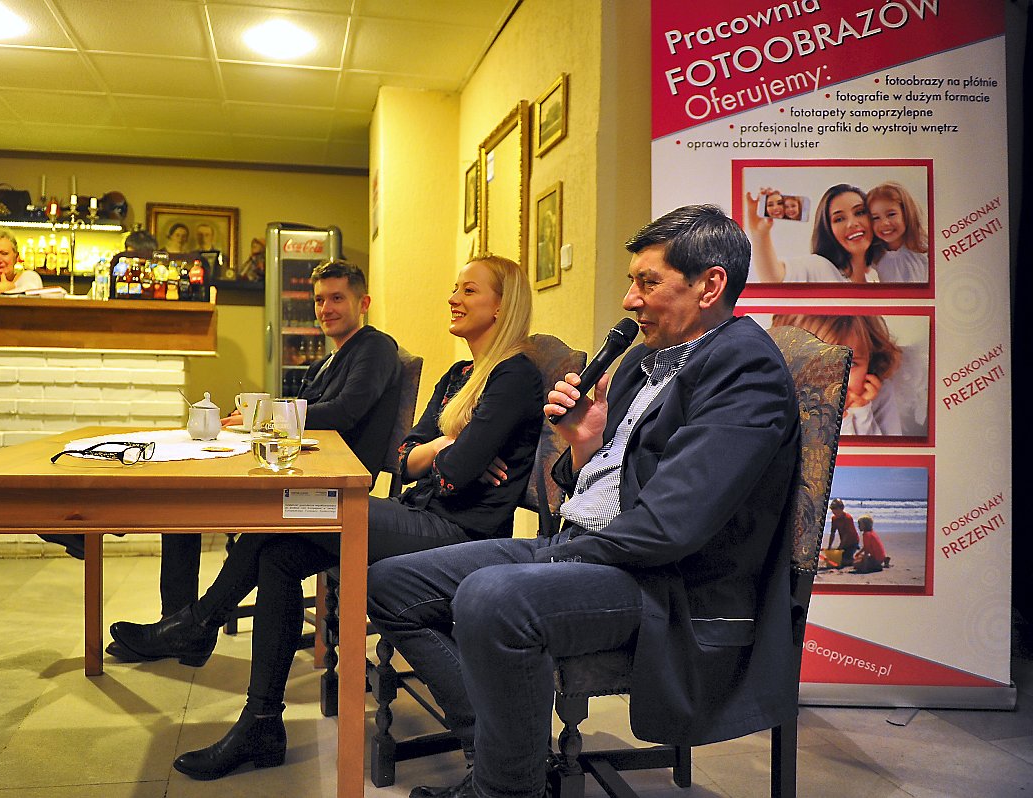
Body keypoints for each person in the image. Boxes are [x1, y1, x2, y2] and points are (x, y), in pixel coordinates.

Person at [367, 205, 799, 798]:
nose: (629, 299)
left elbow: (670, 528)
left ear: (710, 285)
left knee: (493, 597)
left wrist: (554, 558)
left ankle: (503, 789)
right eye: (632, 281)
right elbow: (595, 484)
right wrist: (583, 444)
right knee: (389, 584)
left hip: (671, 584)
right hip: (596, 548)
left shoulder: (745, 367)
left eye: (647, 282)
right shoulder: (643, 359)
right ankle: (508, 760)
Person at [107, 255, 545, 784]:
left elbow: (452, 475)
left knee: (286, 514)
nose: (453, 298)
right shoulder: (461, 376)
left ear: (502, 305)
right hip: (419, 512)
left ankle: (198, 625)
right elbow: (406, 455)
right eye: (455, 287)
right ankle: (260, 722)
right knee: (278, 552)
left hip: (460, 534)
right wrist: (444, 446)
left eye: (469, 290)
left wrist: (445, 454)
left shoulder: (514, 374)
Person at [150, 259, 405, 616]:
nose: (325, 309)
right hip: (303, 471)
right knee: (183, 502)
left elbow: (346, 411)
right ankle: (179, 621)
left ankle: (189, 625)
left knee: (205, 511)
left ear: (363, 304)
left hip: (336, 484)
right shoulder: (324, 362)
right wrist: (251, 419)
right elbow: (299, 419)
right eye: (319, 300)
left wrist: (263, 415)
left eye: (337, 298)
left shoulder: (375, 347)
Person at [771, 313, 903, 436]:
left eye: (850, 363)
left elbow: (890, 451)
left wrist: (861, 413)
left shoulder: (881, 393)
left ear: (871, 361)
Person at [744, 183, 883, 283]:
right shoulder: (820, 267)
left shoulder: (876, 277)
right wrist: (760, 234)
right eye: (839, 219)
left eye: (860, 212)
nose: (852, 223)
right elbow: (774, 279)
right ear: (828, 229)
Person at [867, 181, 929, 282]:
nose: (884, 223)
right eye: (875, 218)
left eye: (891, 214)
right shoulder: (874, 259)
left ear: (906, 213)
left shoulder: (925, 251)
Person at [825, 498, 858, 568]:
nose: (834, 512)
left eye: (836, 510)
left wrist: (840, 547)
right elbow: (832, 533)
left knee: (844, 561)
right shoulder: (834, 518)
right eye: (833, 511)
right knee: (838, 558)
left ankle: (857, 559)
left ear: (841, 509)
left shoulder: (848, 518)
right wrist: (829, 546)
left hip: (853, 543)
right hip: (844, 543)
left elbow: (847, 534)